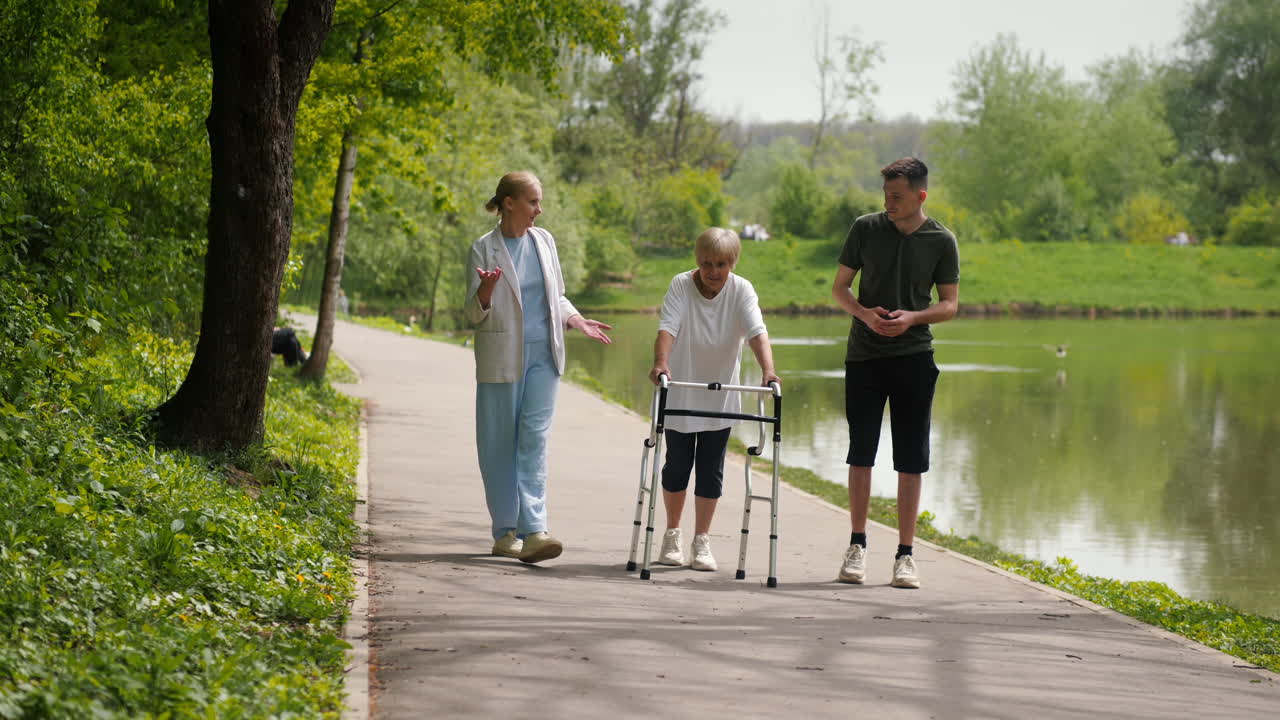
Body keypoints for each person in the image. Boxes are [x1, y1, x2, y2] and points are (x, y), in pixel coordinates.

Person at [464, 171, 613, 564]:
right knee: (498, 444)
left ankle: (535, 531)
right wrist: (485, 292)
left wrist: (575, 318)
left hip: (544, 356)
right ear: (509, 203)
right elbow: (472, 315)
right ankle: (505, 532)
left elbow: (557, 296)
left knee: (534, 440)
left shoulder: (544, 241)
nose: (538, 210)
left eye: (539, 202)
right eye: (532, 202)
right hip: (501, 357)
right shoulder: (483, 249)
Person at [830, 157, 959, 589]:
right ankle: (857, 546)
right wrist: (865, 315)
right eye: (886, 195)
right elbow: (840, 289)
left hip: (914, 358)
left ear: (921, 196)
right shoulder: (865, 228)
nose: (889, 203)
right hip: (864, 356)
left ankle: (905, 555)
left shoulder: (942, 240)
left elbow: (949, 305)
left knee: (911, 459)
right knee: (860, 452)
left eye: (897, 197)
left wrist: (912, 319)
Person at [648, 227, 780, 571]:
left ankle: (701, 541)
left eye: (721, 264)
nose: (713, 271)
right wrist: (661, 363)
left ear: (732, 263)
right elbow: (668, 328)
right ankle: (673, 534)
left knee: (711, 471)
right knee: (677, 466)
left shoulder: (741, 290)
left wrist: (768, 370)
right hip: (680, 391)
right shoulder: (680, 285)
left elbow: (756, 332)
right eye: (707, 263)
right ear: (697, 260)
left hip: (721, 395)